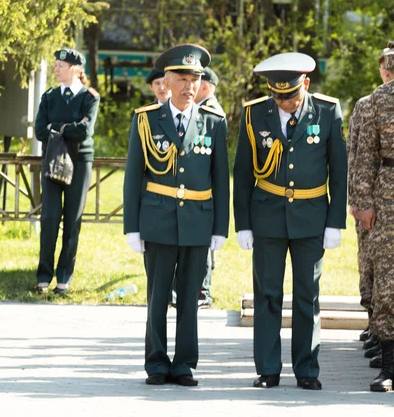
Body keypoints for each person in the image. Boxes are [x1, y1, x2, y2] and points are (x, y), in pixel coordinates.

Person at [233, 52, 347, 390]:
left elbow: (338, 171)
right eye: (278, 96)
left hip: (311, 216)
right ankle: (268, 369)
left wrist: (334, 222)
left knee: (307, 295)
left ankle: (307, 369)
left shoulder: (327, 111)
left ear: (306, 85)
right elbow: (241, 172)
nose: (285, 103)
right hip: (267, 214)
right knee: (267, 293)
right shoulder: (255, 113)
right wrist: (243, 223)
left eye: (291, 96)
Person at [123, 44, 230, 387]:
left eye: (195, 79)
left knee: (190, 298)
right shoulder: (146, 119)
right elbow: (133, 176)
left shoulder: (214, 122)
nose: (189, 86)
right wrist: (132, 228)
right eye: (182, 78)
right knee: (157, 297)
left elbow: (220, 178)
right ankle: (156, 362)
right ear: (166, 81)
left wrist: (220, 227)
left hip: (198, 219)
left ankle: (184, 363)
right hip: (158, 219)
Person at [34, 47, 100, 294]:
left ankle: (63, 279)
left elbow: (85, 132)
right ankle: (43, 277)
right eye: (55, 64)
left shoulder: (90, 98)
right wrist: (68, 127)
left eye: (60, 65)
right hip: (52, 160)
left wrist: (56, 127)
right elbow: (40, 131)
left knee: (72, 220)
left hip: (80, 162)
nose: (55, 68)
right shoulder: (49, 97)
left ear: (75, 69)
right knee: (50, 218)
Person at [347, 41, 394, 365]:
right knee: (386, 280)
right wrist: (362, 201)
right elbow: (363, 156)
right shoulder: (379, 100)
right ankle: (389, 363)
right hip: (387, 196)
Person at [194, 66, 226, 308]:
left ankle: (203, 290)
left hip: (207, 189)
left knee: (203, 242)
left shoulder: (210, 111)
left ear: (204, 86)